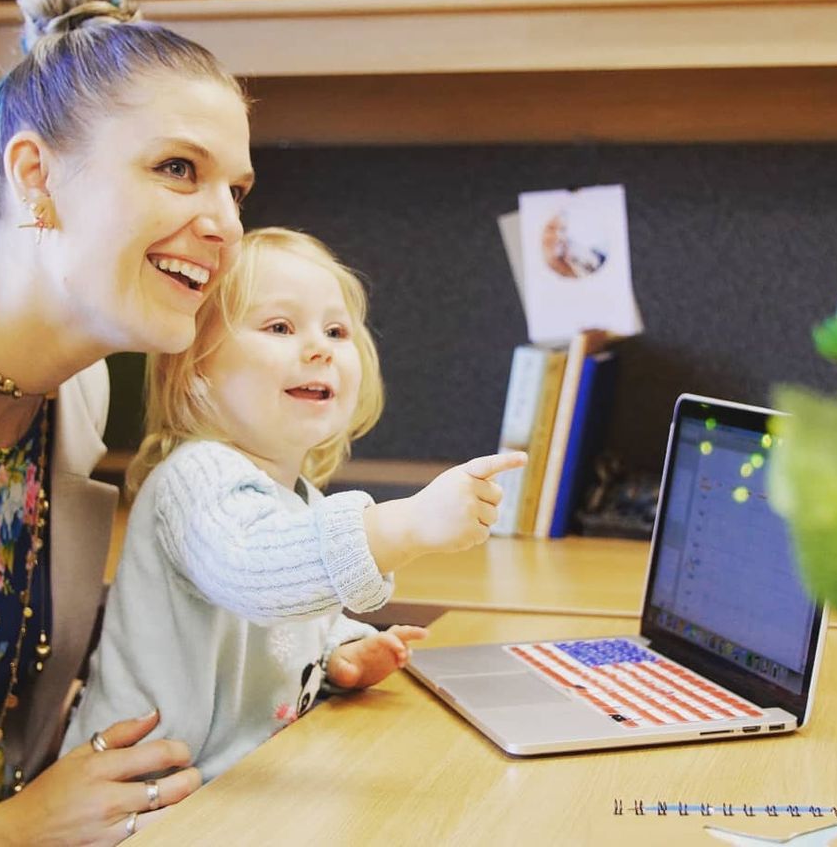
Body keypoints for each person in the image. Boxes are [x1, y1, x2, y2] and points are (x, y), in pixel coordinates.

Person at [61, 227, 526, 784]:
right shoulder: (194, 476)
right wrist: (405, 525)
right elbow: (256, 572)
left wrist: (337, 652)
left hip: (228, 788)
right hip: (138, 797)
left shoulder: (297, 497)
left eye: (336, 330)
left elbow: (283, 620)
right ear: (196, 369)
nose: (319, 348)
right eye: (280, 327)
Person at [0, 0, 254, 843]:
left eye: (236, 190)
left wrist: (294, 651)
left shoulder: (77, 395)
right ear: (35, 176)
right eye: (178, 169)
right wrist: (2, 831)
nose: (227, 228)